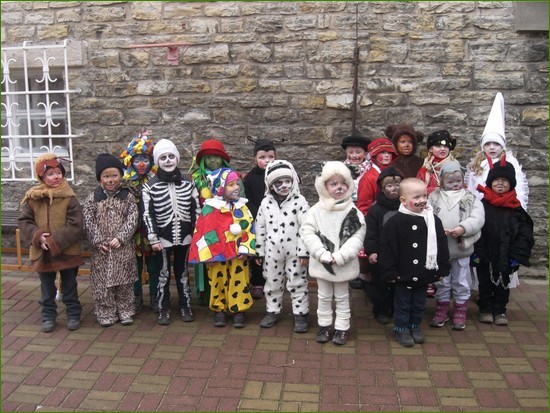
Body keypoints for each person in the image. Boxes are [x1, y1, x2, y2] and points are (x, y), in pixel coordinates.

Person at [378, 178, 450, 347]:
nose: (422, 200)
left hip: (423, 272)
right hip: (403, 273)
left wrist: (441, 268)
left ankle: (414, 326)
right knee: (402, 303)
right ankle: (401, 328)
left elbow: (441, 244)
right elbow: (387, 248)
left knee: (419, 302)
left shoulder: (433, 220)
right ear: (403, 200)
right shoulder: (395, 222)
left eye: (424, 196)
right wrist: (390, 271)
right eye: (416, 197)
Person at [300, 161, 366, 345]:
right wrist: (321, 253)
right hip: (322, 263)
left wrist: (342, 256)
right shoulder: (316, 211)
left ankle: (342, 327)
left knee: (342, 297)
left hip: (343, 263)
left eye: (343, 183)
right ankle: (324, 325)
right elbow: (307, 232)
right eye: (333, 183)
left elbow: (357, 237)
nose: (339, 187)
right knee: (323, 296)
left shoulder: (353, 212)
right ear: (324, 186)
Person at [18, 154, 84, 333]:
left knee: (70, 284)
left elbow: (76, 224)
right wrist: (38, 237)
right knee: (47, 287)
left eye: (58, 173)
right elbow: (25, 221)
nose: (56, 177)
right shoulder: (33, 198)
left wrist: (54, 241)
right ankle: (48, 315)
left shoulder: (69, 197)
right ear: (41, 177)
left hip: (66, 250)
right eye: (50, 174)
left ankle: (73, 313)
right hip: (42, 251)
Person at [188, 168, 256, 328]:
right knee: (217, 280)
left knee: (239, 279)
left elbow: (249, 228)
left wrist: (245, 248)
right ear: (220, 188)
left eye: (237, 184)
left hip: (238, 253)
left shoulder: (241, 207)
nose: (236, 187)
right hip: (216, 254)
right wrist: (208, 255)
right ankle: (219, 309)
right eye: (231, 185)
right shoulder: (210, 208)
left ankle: (239, 309)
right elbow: (203, 232)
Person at [142, 139, 200, 325]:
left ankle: (185, 305)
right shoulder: (150, 186)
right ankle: (163, 307)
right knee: (163, 273)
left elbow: (196, 209)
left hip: (185, 235)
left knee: (183, 272)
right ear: (157, 161)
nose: (168, 160)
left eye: (171, 156)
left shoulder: (188, 183)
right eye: (163, 158)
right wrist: (153, 238)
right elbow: (147, 213)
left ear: (177, 159)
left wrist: (196, 233)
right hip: (162, 237)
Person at [473, 159, 534, 326]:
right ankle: (485, 309)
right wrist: (476, 251)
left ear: (511, 184)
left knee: (503, 283)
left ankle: (500, 310)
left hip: (506, 254)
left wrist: (518, 254)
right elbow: (475, 227)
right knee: (485, 282)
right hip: (485, 252)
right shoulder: (482, 206)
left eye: (505, 181)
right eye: (497, 180)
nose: (500, 184)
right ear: (490, 182)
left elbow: (524, 233)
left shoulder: (515, 208)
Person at [428, 160, 485, 330]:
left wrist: (463, 228)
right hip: (441, 249)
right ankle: (442, 307)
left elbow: (477, 218)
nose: (455, 185)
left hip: (461, 248)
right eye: (450, 182)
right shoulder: (434, 197)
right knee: (442, 281)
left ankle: (460, 308)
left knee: (461, 280)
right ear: (442, 181)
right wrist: (436, 229)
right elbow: (427, 214)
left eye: (458, 181)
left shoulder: (469, 198)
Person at [83, 153, 139, 327]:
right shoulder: (93, 198)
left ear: (120, 176)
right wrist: (99, 241)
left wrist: (121, 237)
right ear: (100, 178)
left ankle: (125, 310)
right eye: (106, 176)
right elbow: (89, 221)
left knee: (125, 282)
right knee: (103, 284)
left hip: (123, 249)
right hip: (102, 250)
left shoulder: (128, 197)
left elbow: (132, 219)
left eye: (114, 175)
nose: (110, 180)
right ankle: (106, 312)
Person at [255, 160, 310, 333]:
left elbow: (306, 227)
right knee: (272, 281)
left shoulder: (299, 201)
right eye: (279, 182)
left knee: (297, 282)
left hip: (295, 252)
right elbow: (260, 227)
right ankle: (272, 310)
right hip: (272, 252)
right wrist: (259, 251)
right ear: (271, 185)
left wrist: (304, 252)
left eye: (288, 181)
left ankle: (301, 314)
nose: (284, 186)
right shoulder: (266, 203)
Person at [190, 139, 242, 305]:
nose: (213, 160)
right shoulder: (196, 178)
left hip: (227, 225)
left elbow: (239, 199)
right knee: (206, 255)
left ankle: (230, 295)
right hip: (205, 224)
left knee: (227, 259)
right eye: (209, 157)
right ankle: (205, 293)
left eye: (217, 157)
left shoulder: (232, 176)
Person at [120, 130, 161, 313]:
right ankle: (136, 297)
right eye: (137, 160)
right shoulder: (125, 183)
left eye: (145, 159)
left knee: (154, 266)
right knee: (134, 267)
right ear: (130, 161)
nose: (142, 164)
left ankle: (155, 295)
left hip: (152, 232)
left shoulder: (156, 181)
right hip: (133, 233)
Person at [465, 92, 529, 210]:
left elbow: (519, 188)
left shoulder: (510, 162)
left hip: (506, 207)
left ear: (502, 146)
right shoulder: (478, 164)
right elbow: (471, 189)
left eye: (496, 144)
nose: (492, 147)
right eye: (487, 144)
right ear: (483, 147)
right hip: (482, 209)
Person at [363, 166, 404, 325]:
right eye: (389, 185)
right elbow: (371, 233)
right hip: (381, 253)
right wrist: (372, 251)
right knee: (379, 283)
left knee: (399, 283)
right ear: (382, 188)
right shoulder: (376, 210)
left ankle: (395, 307)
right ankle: (380, 309)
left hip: (401, 253)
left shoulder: (407, 208)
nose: (394, 189)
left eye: (397, 185)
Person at [243, 138, 277, 300]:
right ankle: (257, 282)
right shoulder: (250, 178)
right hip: (257, 219)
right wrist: (258, 214)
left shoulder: (279, 174)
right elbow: (248, 200)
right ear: (255, 159)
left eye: (271, 157)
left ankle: (274, 280)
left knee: (274, 250)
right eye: (262, 157)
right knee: (258, 250)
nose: (267, 160)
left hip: (277, 219)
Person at [341, 134, 371, 290]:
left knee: (363, 240)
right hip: (347, 208)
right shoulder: (340, 169)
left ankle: (363, 272)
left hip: (366, 208)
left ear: (365, 153)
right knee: (348, 240)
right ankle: (350, 272)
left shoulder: (371, 170)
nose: (354, 155)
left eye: (358, 152)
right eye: (351, 152)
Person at [357, 137, 398, 215]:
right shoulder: (368, 178)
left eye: (389, 153)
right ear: (375, 155)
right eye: (382, 152)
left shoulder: (397, 173)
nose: (387, 155)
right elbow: (363, 207)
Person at [416, 130, 458, 196]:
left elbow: (460, 186)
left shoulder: (455, 166)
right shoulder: (427, 167)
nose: (443, 149)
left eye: (446, 146)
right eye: (438, 146)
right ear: (431, 149)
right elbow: (417, 188)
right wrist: (434, 190)